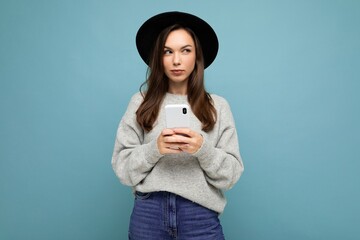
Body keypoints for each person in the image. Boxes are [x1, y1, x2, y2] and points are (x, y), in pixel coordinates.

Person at [112, 11, 244, 240]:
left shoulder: (218, 106)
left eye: (185, 50)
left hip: (200, 214)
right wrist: (156, 148)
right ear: (158, 57)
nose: (176, 60)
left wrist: (203, 149)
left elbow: (231, 176)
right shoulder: (140, 103)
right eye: (167, 51)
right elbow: (122, 169)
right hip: (149, 213)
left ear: (197, 56)